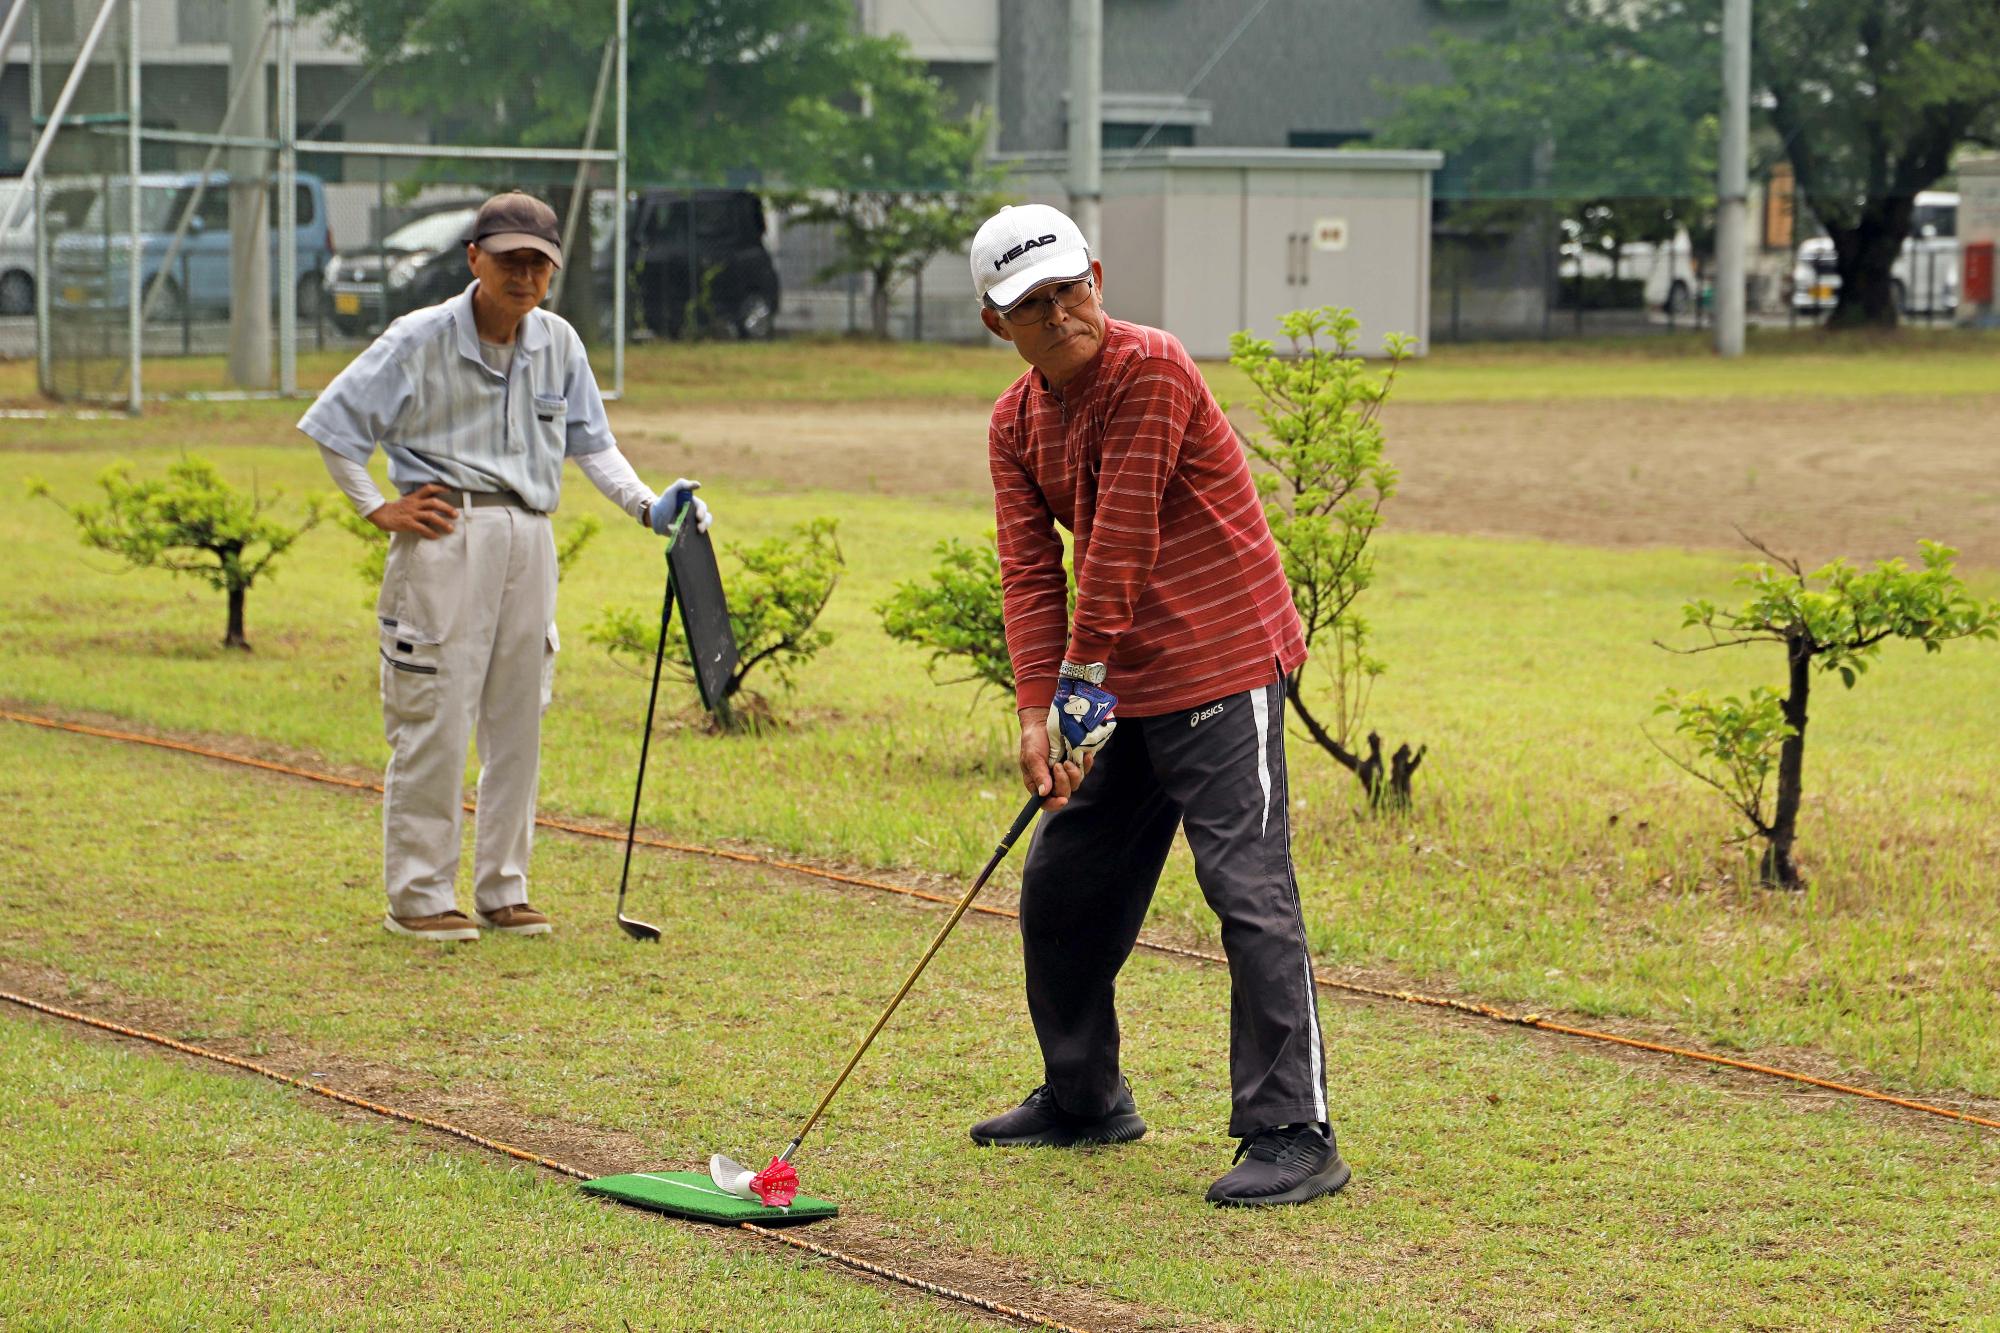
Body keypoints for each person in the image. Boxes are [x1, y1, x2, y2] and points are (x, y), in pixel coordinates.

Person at [964, 203, 1347, 1207]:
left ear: (1095, 274)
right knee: (1062, 885)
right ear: (995, 323)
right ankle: (1083, 1095)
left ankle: (1292, 1129)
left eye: (1068, 290)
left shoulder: (1152, 368)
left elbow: (1122, 542)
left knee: (1245, 891)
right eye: (1031, 306)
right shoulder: (1012, 425)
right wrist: (1033, 716)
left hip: (1221, 662)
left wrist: (1077, 703)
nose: (1059, 315)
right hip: (1124, 681)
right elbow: (1029, 574)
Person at [299, 191, 710, 943]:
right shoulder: (417, 337)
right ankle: (419, 895)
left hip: (529, 535)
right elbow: (334, 424)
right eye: (509, 258)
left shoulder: (558, 342)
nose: (523, 275)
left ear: (552, 271)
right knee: (436, 715)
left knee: (519, 715)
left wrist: (648, 506)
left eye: (538, 263)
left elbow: (592, 444)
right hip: (446, 532)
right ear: (473, 259)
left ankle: (503, 888)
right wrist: (376, 507)